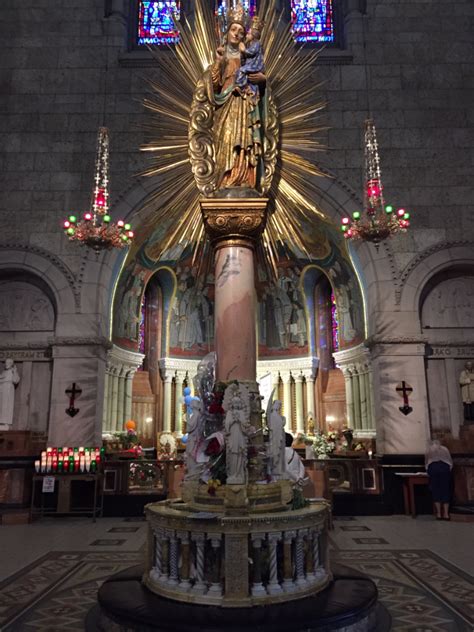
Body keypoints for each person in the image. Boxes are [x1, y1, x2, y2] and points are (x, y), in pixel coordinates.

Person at [234, 17, 265, 100]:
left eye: (240, 32)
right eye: (233, 30)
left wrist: (263, 79)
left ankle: (243, 88)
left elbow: (248, 55)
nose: (236, 34)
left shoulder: (254, 45)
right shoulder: (223, 54)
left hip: (247, 96)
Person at [425, 439, 453, 520]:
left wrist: (428, 471)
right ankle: (446, 514)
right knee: (445, 489)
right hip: (445, 468)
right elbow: (450, 461)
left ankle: (438, 514)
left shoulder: (429, 449)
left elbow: (426, 462)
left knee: (436, 490)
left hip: (433, 468)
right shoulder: (445, 449)